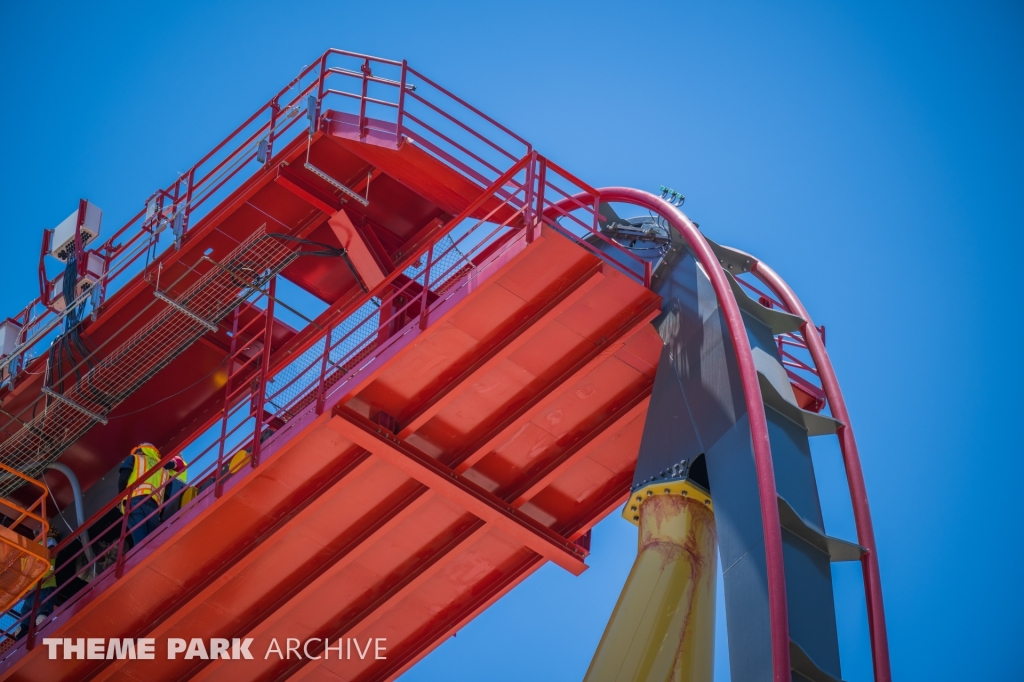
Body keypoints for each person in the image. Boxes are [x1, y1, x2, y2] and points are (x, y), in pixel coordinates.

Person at [118, 443, 165, 546]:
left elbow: (123, 478)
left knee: (140, 543)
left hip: (136, 501)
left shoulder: (136, 458)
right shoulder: (163, 468)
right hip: (154, 508)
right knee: (150, 543)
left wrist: (120, 498)